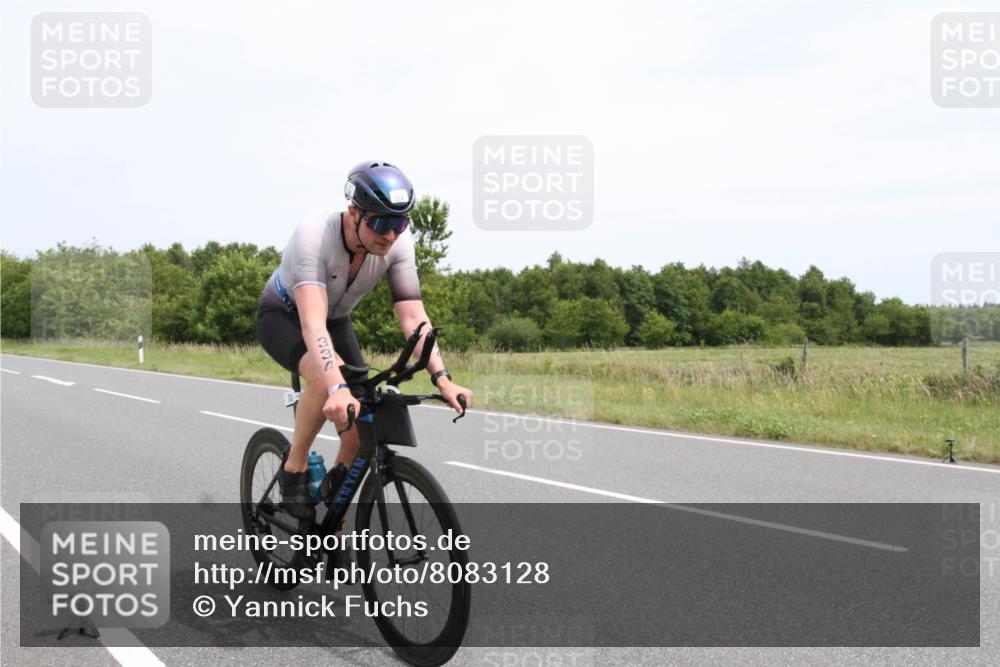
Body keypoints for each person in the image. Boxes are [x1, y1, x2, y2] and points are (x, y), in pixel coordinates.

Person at [256, 161, 472, 520]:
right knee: (330, 379)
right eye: (381, 223)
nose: (390, 235)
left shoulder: (398, 245)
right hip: (286, 317)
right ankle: (293, 470)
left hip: (336, 320)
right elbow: (312, 324)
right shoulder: (314, 234)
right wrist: (337, 386)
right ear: (353, 213)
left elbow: (414, 317)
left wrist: (443, 378)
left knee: (361, 427)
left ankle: (334, 508)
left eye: (400, 223)